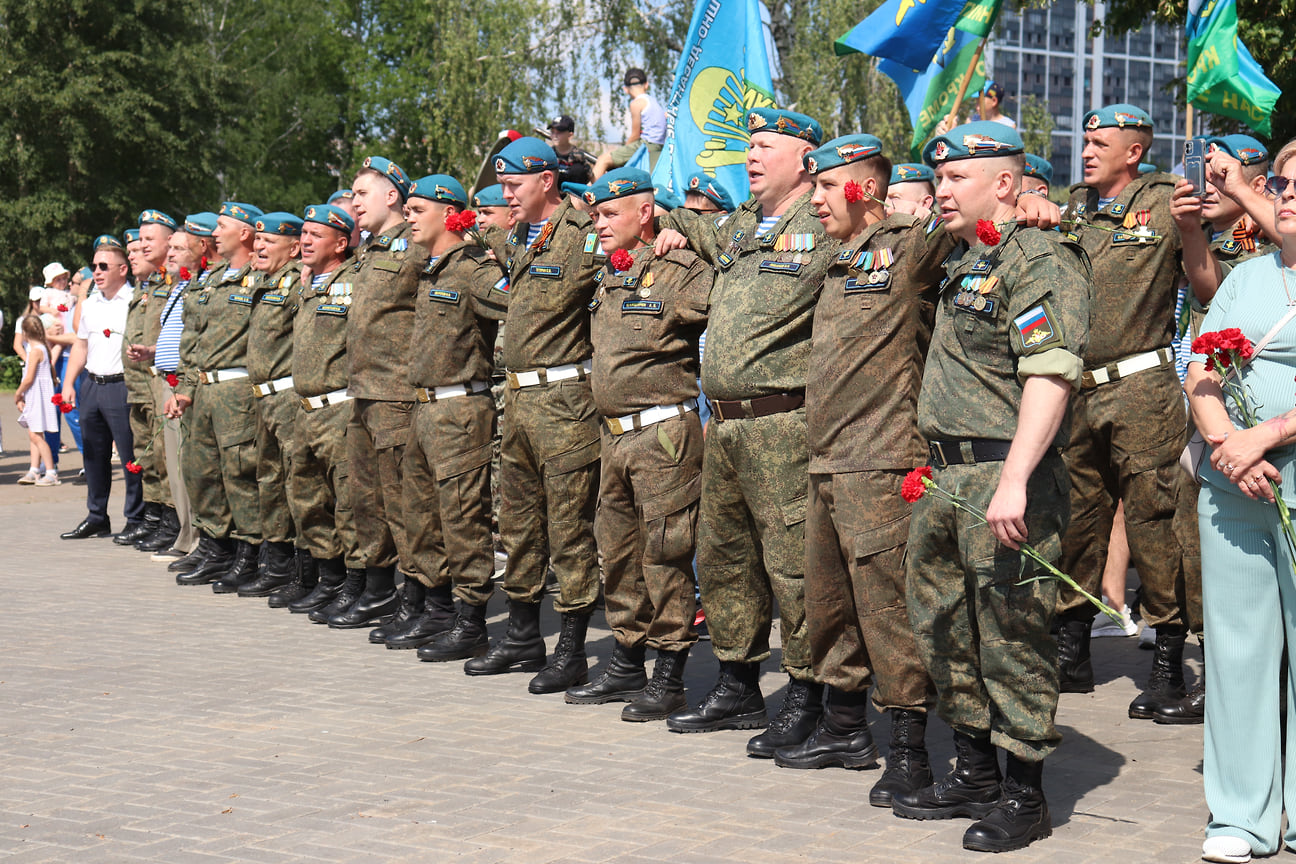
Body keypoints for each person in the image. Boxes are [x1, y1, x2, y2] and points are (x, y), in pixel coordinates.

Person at [892, 121, 1090, 853]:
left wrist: (1014, 481)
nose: (939, 190)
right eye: (936, 179)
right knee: (946, 625)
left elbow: (1049, 371)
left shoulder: (1039, 258)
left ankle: (1025, 795)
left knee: (1013, 634)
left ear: (1003, 184)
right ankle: (973, 769)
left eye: (954, 180)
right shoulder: (968, 254)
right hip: (946, 476)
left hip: (1007, 475)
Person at [773, 135, 952, 801]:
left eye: (826, 187)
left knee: (886, 614)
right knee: (829, 606)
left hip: (881, 460)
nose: (814, 199)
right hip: (827, 458)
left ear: (861, 189)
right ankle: (845, 728)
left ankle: (909, 750)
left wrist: (902, 212)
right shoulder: (838, 257)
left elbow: (949, 235)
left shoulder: (906, 247)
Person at [655, 108, 832, 758]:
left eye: (765, 146)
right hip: (724, 425)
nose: (751, 156)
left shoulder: (824, 223)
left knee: (792, 565)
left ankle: (809, 695)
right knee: (725, 558)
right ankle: (736, 684)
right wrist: (672, 229)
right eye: (749, 146)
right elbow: (686, 221)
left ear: (805, 158)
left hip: (783, 422)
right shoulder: (737, 228)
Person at [1053, 104, 1201, 723]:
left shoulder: (1168, 200)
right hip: (1073, 391)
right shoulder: (1069, 209)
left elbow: (1207, 280)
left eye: (1100, 142)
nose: (1086, 150)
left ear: (1134, 152)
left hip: (1140, 385)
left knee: (1154, 521)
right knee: (1075, 518)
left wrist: (1194, 229)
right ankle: (1071, 644)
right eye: (1084, 140)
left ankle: (1168, 658)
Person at [1184, 138, 1296, 864]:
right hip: (1233, 488)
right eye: (1282, 182)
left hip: (1279, 468)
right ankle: (1242, 814)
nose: (1285, 192)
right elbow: (1200, 366)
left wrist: (1272, 435)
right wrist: (1228, 442)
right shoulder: (1247, 276)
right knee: (1238, 651)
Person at [564, 167, 710, 720]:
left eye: (608, 215)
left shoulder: (679, 270)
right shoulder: (613, 275)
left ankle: (670, 673)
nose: (597, 224)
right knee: (619, 553)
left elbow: (722, 307)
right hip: (616, 436)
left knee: (666, 554)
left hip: (663, 435)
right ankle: (628, 660)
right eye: (595, 214)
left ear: (645, 213)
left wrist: (684, 229)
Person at [465, 136, 604, 694]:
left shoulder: (580, 237)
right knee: (519, 525)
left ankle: (571, 649)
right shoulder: (518, 238)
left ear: (547, 180)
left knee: (568, 530)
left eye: (514, 185)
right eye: (502, 186)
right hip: (519, 401)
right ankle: (523, 637)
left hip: (565, 400)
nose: (506, 195)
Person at [397, 175, 509, 657]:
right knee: (422, 519)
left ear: (448, 214)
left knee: (463, 519)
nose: (408, 216)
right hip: (425, 408)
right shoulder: (430, 269)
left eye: (417, 208)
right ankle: (436, 612)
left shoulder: (470, 270)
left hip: (461, 408)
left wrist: (499, 252)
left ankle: (471, 620)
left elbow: (519, 305)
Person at [324, 155, 424, 631]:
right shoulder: (369, 251)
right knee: (368, 502)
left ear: (391, 196)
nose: (353, 203)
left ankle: (418, 600)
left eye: (361, 194)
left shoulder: (416, 244)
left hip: (397, 393)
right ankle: (379, 590)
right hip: (363, 392)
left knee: (404, 504)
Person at [165, 202, 265, 589]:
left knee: (239, 474)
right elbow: (191, 341)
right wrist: (184, 389)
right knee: (201, 471)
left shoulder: (261, 277)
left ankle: (248, 551)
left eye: (222, 226)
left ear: (244, 233)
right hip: (202, 390)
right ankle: (215, 545)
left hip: (237, 389)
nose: (214, 233)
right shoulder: (208, 279)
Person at [281, 203, 365, 614]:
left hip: (339, 408)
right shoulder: (307, 284)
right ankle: (327, 577)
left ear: (341, 243)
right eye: (304, 234)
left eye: (316, 235)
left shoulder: (356, 279)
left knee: (347, 502)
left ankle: (356, 583)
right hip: (305, 410)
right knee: (308, 499)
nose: (305, 241)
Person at [238, 212, 304, 597]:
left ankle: (303, 569)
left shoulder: (297, 282)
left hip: (286, 396)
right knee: (269, 483)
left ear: (293, 247)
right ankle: (277, 563)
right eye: (257, 240)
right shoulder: (263, 282)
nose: (259, 247)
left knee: (296, 485)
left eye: (269, 242)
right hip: (261, 398)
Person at [59, 236, 144, 539]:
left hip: (121, 386)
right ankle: (97, 516)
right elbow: (81, 345)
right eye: (95, 265)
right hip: (92, 385)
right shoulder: (91, 303)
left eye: (104, 266)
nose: (96, 271)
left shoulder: (135, 301)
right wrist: (69, 382)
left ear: (123, 269)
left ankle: (136, 518)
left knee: (130, 455)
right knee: (93, 455)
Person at [143, 214, 215, 560]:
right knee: (174, 467)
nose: (169, 254)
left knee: (192, 467)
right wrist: (152, 352)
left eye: (177, 248)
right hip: (168, 380)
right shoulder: (179, 287)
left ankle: (199, 541)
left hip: (188, 384)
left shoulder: (202, 286)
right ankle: (185, 538)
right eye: (168, 247)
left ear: (198, 251)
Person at [117, 209, 177, 548]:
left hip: (161, 380)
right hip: (140, 383)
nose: (139, 247)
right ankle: (154, 517)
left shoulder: (174, 283)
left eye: (145, 241)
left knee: (164, 456)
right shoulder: (148, 286)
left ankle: (170, 521)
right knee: (147, 453)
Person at [592, 67, 667, 178]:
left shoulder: (636, 103)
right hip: (659, 145)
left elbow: (635, 135)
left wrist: (623, 152)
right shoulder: (654, 101)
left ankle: (592, 193)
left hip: (647, 144)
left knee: (603, 160)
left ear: (625, 89)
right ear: (646, 85)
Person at [14, 315, 60, 486]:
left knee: (36, 435)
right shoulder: (42, 348)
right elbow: (51, 371)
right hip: (38, 395)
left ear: (25, 333)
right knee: (35, 432)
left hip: (36, 395)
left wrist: (18, 394)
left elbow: (29, 378)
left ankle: (50, 471)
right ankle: (34, 469)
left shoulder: (35, 351)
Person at [548, 115, 596, 186]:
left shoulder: (579, 157)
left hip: (577, 195)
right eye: (552, 132)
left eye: (559, 132)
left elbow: (593, 180)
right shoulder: (548, 155)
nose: (555, 135)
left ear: (570, 135)